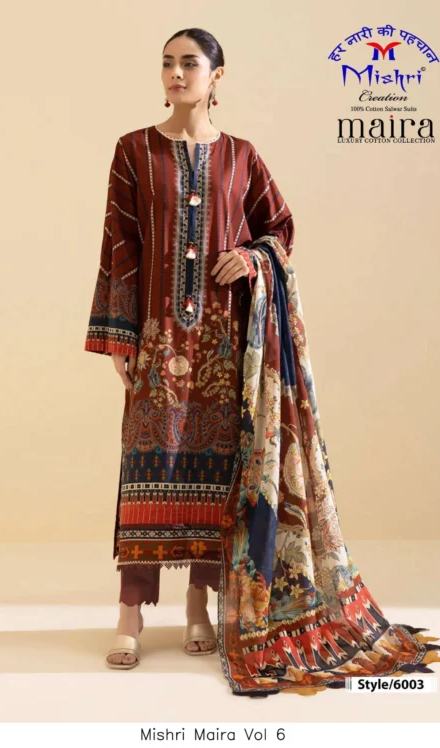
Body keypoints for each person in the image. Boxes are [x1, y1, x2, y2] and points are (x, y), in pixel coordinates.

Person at [84, 27, 293, 670]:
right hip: (157, 335)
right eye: (168, 63)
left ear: (216, 75)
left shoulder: (241, 156)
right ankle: (130, 612)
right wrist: (120, 336)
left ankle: (199, 607)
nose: (176, 74)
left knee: (215, 470)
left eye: (190, 63)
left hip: (224, 343)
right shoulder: (134, 150)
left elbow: (279, 230)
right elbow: (120, 245)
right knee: (145, 467)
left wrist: (250, 258)